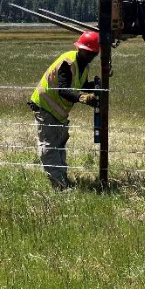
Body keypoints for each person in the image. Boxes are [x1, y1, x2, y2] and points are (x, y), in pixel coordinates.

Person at [28, 31, 100, 189]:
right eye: (85, 52)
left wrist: (92, 87)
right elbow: (63, 89)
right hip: (45, 106)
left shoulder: (83, 67)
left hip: (59, 112)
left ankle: (61, 179)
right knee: (49, 147)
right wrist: (83, 98)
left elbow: (77, 86)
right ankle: (58, 184)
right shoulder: (68, 63)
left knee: (59, 145)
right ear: (79, 48)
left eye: (91, 54)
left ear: (95, 53)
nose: (87, 55)